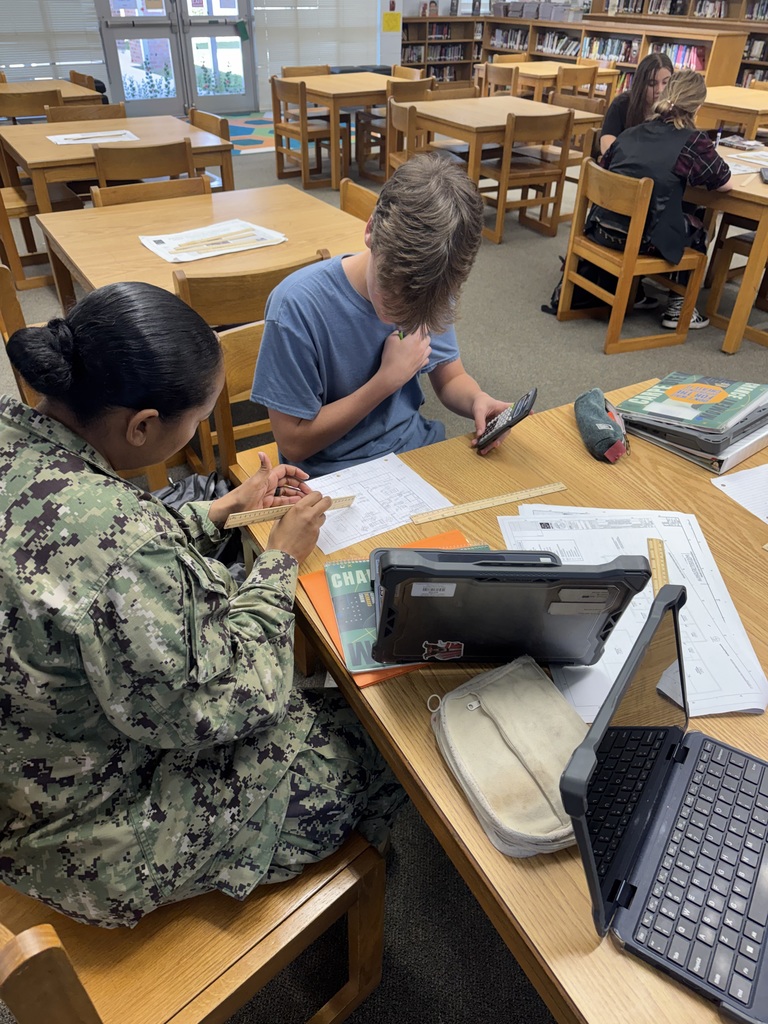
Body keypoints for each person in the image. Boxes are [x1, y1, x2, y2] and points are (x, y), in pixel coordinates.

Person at [0, 282, 405, 929]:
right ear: (143, 426)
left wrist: (217, 511)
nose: (198, 428)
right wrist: (279, 561)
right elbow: (217, 707)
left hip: (28, 768)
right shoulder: (122, 542)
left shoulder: (16, 440)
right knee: (379, 743)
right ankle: (359, 899)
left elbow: (85, 549)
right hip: (76, 833)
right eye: (196, 417)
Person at [251, 154, 516, 477]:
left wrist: (477, 399)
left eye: (414, 310)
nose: (397, 317)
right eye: (389, 294)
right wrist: (387, 381)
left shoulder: (431, 285)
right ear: (371, 230)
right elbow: (293, 443)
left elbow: (451, 378)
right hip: (332, 474)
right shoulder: (297, 306)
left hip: (417, 452)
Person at [586, 68, 733, 331]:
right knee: (698, 227)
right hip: (640, 239)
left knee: (670, 214)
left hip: (601, 227)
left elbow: (606, 166)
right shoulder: (694, 141)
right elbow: (725, 182)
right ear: (698, 106)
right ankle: (678, 307)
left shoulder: (632, 132)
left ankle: (642, 291)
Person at [599, 52, 674, 156]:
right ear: (641, 84)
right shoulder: (622, 104)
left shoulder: (674, 109)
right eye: (652, 84)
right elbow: (607, 142)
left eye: (665, 83)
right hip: (622, 165)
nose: (660, 90)